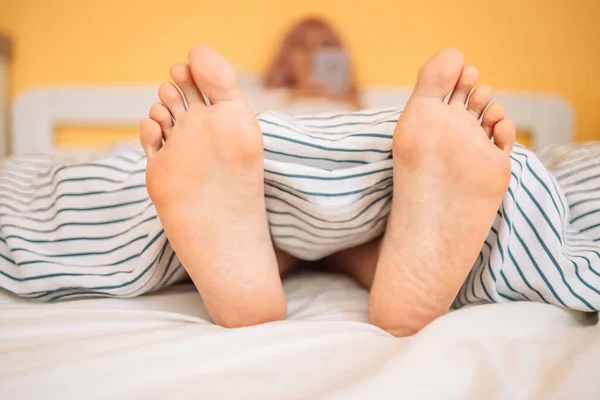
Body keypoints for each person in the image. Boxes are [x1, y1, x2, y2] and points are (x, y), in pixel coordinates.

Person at [2, 46, 600, 338]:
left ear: (352, 71)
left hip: (391, 183)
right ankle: (344, 259)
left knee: (390, 162)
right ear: (280, 67)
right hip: (249, 177)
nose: (317, 52)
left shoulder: (399, 115)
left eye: (329, 45)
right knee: (252, 152)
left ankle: (274, 261)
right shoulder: (243, 112)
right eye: (300, 44)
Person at [262, 17, 361, 113]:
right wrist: (298, 95)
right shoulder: (264, 100)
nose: (313, 54)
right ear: (287, 57)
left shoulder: (363, 101)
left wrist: (352, 103)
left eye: (324, 45)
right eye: (303, 46)